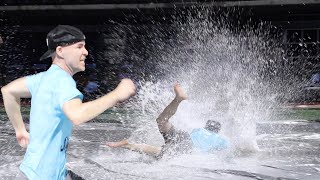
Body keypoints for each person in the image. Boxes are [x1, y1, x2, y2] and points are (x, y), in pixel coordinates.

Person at [1, 25, 136, 179]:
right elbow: (76, 115)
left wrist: (20, 130)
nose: (86, 52)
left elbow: (8, 91)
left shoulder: (43, 78)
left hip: (36, 171)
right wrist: (116, 95)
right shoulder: (62, 82)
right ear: (60, 51)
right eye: (79, 47)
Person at [107, 84, 229, 158]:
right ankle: (128, 145)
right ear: (218, 131)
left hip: (185, 138)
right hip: (189, 148)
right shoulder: (223, 140)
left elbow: (188, 135)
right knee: (160, 153)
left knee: (162, 121)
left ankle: (178, 100)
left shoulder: (199, 130)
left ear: (206, 126)